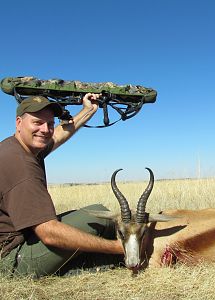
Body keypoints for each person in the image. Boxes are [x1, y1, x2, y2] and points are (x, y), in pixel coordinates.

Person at [0, 94, 124, 277]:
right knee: (100, 220)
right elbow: (49, 233)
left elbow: (57, 135)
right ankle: (100, 261)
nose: (45, 129)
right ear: (19, 123)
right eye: (37, 123)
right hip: (11, 258)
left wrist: (88, 110)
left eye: (49, 123)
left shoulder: (21, 147)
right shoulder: (20, 165)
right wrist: (118, 248)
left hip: (23, 238)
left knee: (99, 215)